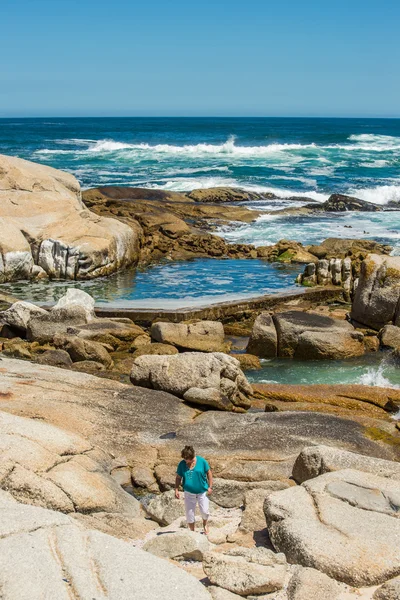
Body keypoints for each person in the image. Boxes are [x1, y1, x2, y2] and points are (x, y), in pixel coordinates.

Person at [175, 445, 213, 534]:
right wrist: (176, 489)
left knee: (205, 511)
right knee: (189, 514)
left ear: (192, 457)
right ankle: (192, 532)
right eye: (184, 459)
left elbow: (209, 473)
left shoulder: (202, 461)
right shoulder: (182, 464)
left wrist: (210, 486)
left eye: (187, 459)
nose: (186, 461)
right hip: (189, 492)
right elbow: (178, 477)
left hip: (202, 491)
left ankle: (205, 524)